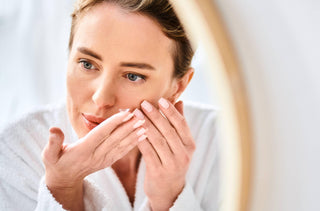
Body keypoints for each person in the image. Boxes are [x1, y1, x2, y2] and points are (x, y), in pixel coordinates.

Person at [0, 0, 221, 210]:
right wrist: (62, 189)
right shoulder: (17, 150)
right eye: (87, 64)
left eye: (133, 76)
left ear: (178, 86)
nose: (101, 98)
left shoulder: (225, 145)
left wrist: (170, 197)